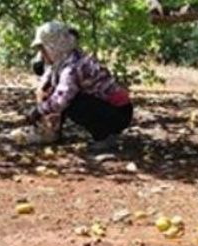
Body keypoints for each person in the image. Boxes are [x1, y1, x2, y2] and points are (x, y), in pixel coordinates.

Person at [26, 22, 133, 151]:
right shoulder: (66, 60)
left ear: (53, 46)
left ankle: (105, 137)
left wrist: (38, 110)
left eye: (43, 49)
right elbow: (47, 82)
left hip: (118, 112)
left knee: (70, 102)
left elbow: (61, 100)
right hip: (113, 109)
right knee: (53, 92)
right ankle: (52, 132)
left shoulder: (72, 68)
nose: (42, 54)